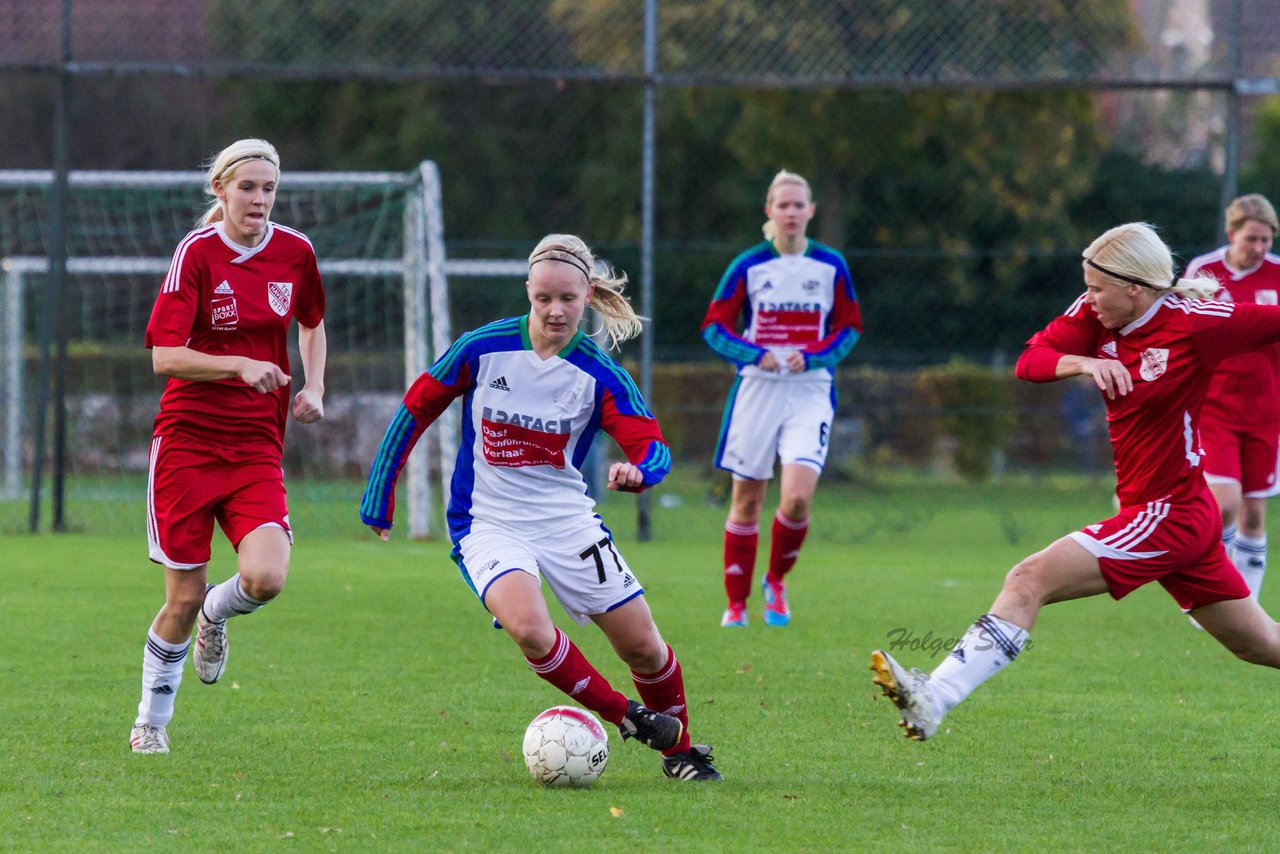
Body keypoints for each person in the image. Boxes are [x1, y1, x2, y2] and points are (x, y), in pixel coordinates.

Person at [870, 222, 1280, 741]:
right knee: (1261, 643)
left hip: (1169, 512)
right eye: (1085, 286)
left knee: (1028, 579)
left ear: (1135, 287)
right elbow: (1030, 362)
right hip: (1165, 512)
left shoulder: (1198, 322)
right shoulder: (1095, 315)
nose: (1087, 298)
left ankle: (936, 698)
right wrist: (1082, 361)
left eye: (1096, 288)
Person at [359, 234, 723, 782]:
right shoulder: (482, 348)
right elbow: (416, 407)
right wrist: (380, 492)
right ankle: (627, 717)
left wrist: (640, 472)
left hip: (566, 521)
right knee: (530, 629)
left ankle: (681, 753)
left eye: (569, 299)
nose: (555, 310)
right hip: (486, 522)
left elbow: (653, 445)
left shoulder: (599, 374)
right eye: (544, 298)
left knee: (644, 648)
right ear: (528, 291)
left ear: (588, 295)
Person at [130, 139, 327, 754]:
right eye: (248, 188)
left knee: (266, 577)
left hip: (256, 446)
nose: (260, 200)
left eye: (269, 189)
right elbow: (164, 354)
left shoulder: (295, 252)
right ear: (220, 189)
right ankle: (150, 724)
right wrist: (239, 364)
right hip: (187, 444)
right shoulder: (196, 253)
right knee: (180, 599)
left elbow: (313, 322)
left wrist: (314, 385)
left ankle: (221, 613)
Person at [701, 170, 862, 628]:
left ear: (811, 211)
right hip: (757, 390)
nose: (791, 213)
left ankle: (776, 581)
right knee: (747, 499)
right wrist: (756, 354)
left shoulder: (831, 266)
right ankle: (736, 603)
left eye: (799, 205)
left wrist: (813, 357)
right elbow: (714, 327)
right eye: (783, 205)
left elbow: (849, 328)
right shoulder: (748, 266)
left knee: (795, 500)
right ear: (769, 212)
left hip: (810, 392)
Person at [1186, 194, 1280, 604]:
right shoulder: (1204, 271)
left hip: (1267, 410)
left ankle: (1245, 608)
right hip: (1215, 407)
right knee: (1223, 506)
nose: (1259, 249)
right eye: (1251, 239)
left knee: (1254, 513)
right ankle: (1212, 593)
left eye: (1266, 240)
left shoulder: (1278, 274)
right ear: (1231, 234)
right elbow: (1186, 332)